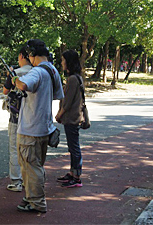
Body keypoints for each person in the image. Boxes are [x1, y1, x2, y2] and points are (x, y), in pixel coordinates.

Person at [12, 39, 64, 213]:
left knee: (30, 166)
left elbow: (24, 85)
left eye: (30, 57)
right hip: (44, 128)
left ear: (33, 55)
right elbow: (58, 95)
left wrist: (16, 80)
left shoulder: (38, 72)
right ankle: (31, 196)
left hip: (30, 129)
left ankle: (37, 202)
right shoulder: (53, 70)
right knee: (35, 165)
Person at [3, 46, 32, 192]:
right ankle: (30, 181)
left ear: (21, 56)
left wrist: (10, 74)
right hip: (32, 118)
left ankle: (16, 181)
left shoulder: (15, 73)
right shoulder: (37, 72)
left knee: (15, 149)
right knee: (30, 150)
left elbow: (5, 90)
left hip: (15, 116)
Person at [55, 49, 83, 188]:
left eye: (63, 60)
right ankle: (73, 173)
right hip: (73, 117)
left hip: (71, 118)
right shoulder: (76, 78)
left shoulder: (73, 79)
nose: (62, 63)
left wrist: (59, 114)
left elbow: (67, 102)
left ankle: (77, 176)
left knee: (74, 147)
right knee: (72, 147)